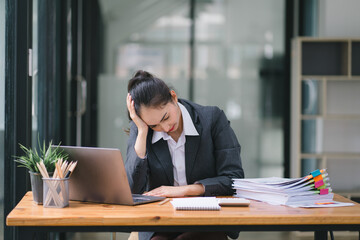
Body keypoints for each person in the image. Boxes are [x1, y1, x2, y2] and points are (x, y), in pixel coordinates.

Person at [125, 70, 244, 240]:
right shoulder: (143, 129)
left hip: (207, 219)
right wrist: (143, 131)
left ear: (173, 97)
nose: (165, 128)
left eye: (166, 117)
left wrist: (183, 191)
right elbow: (132, 190)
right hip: (160, 221)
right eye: (154, 125)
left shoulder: (212, 119)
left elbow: (233, 179)